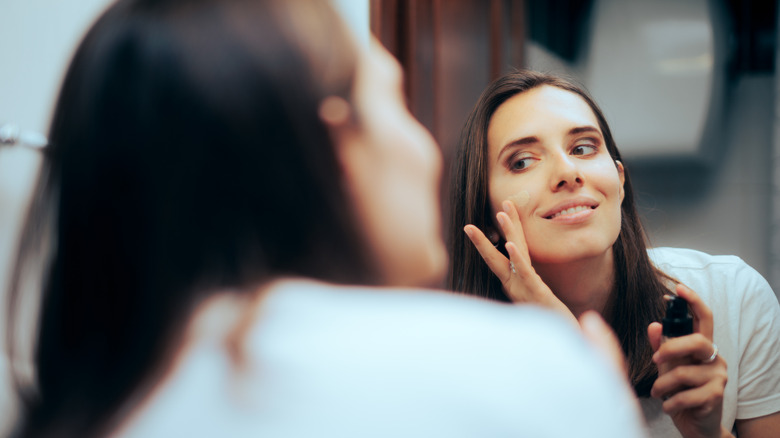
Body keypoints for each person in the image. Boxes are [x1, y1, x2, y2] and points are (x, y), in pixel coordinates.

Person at [5, 1, 648, 437]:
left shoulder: (89, 404)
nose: (426, 149)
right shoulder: (523, 373)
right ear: (338, 146)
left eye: (585, 146)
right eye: (396, 102)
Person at [447, 70, 780, 438]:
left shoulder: (735, 296)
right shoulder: (461, 370)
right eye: (523, 161)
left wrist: (707, 433)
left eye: (583, 148)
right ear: (487, 215)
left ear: (619, 181)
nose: (568, 172)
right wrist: (572, 358)